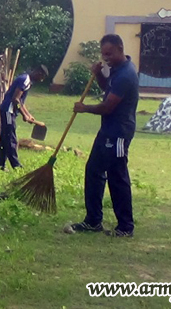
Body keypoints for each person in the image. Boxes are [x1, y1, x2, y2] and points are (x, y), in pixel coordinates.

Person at [67, 34, 139, 237]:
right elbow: (108, 90)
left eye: (110, 53)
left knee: (117, 177)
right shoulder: (117, 70)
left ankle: (125, 227)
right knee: (94, 171)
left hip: (118, 133)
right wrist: (99, 74)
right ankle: (93, 221)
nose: (106, 57)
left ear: (120, 48)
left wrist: (84, 108)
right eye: (103, 54)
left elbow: (108, 107)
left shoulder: (126, 75)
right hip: (108, 131)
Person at [0, 64, 48, 171]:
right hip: (8, 111)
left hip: (9, 111)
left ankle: (0, 165)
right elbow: (15, 99)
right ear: (38, 73)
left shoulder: (26, 80)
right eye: (42, 77)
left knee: (5, 139)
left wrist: (28, 115)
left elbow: (20, 101)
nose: (42, 80)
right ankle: (16, 166)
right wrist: (24, 115)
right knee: (11, 139)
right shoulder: (25, 80)